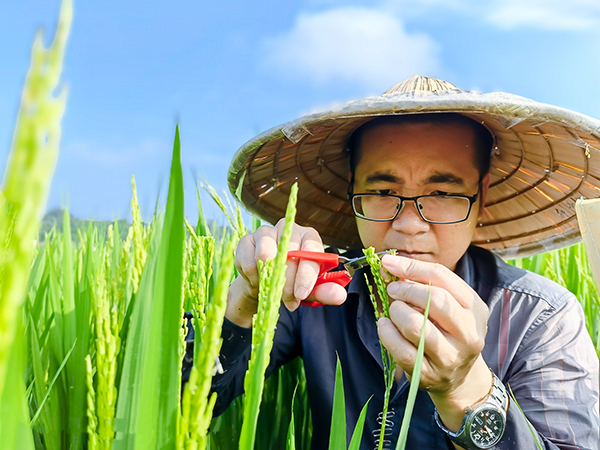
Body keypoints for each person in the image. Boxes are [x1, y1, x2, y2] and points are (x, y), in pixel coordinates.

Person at [207, 76, 600, 449]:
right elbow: (177, 402)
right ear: (352, 192)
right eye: (381, 190)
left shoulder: (540, 317)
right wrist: (249, 297)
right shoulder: (314, 295)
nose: (409, 225)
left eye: (443, 192)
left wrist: (466, 390)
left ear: (479, 195)